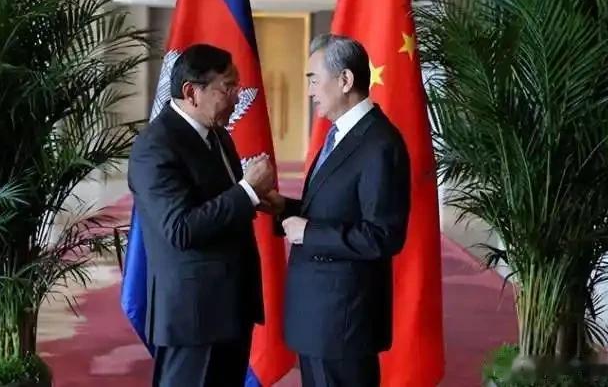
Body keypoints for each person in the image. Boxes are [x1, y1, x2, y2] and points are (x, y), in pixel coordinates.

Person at [268, 34, 411, 387]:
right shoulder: (341, 135)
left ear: (345, 80)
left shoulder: (379, 143)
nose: (310, 91)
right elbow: (336, 208)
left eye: (314, 80)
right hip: (322, 318)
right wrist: (284, 208)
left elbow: (383, 236)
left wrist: (309, 232)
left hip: (344, 322)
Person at [128, 44, 275, 387]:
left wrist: (257, 199)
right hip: (193, 315)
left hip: (231, 304)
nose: (238, 96)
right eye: (228, 87)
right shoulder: (155, 146)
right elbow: (180, 229)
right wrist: (247, 191)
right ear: (192, 92)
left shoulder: (218, 135)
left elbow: (220, 204)